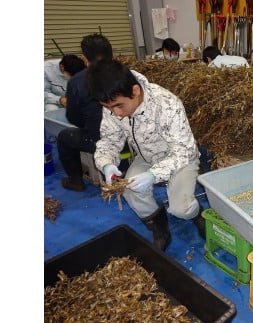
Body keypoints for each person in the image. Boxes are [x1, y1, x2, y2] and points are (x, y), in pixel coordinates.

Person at [87, 59, 206, 251]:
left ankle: (196, 214)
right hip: (146, 156)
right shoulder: (113, 103)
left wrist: (153, 175)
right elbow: (109, 140)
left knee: (180, 208)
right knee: (131, 190)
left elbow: (183, 151)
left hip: (180, 157)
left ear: (135, 91)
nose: (116, 114)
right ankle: (159, 229)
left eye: (119, 106)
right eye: (109, 108)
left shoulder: (167, 104)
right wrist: (106, 163)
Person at [56, 33, 113, 192]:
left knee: (64, 137)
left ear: (85, 59)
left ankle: (75, 180)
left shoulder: (78, 81)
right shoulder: (127, 74)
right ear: (112, 55)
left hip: (99, 139)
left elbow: (72, 116)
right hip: (130, 135)